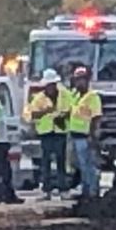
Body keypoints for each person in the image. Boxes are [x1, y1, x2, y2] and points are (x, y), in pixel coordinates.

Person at [60, 63, 102, 204]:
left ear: (87, 80)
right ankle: (85, 190)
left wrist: (92, 135)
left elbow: (96, 118)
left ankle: (92, 192)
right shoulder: (75, 95)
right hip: (74, 135)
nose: (79, 82)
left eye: (82, 80)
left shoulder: (92, 97)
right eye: (77, 80)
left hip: (85, 137)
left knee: (89, 165)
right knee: (79, 166)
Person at [25, 75, 65, 194]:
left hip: (60, 131)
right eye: (49, 85)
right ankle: (47, 188)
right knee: (46, 161)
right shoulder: (39, 98)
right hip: (46, 133)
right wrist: (45, 111)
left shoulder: (64, 95)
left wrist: (62, 116)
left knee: (61, 160)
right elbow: (32, 114)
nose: (51, 87)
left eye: (53, 85)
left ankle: (62, 187)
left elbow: (70, 109)